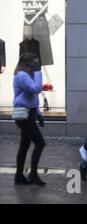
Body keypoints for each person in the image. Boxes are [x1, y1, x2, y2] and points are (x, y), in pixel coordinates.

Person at [13, 53, 46, 185]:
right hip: (24, 115)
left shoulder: (27, 75)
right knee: (40, 143)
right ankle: (32, 174)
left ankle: (19, 176)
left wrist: (38, 114)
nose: (37, 66)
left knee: (24, 146)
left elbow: (32, 99)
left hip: (28, 113)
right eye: (36, 63)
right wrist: (38, 72)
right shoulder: (22, 76)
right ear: (29, 64)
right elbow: (36, 90)